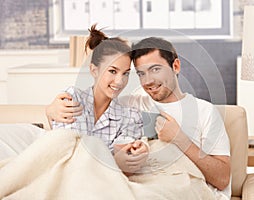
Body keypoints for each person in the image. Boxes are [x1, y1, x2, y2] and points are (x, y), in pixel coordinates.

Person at [46, 37, 231, 199]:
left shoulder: (204, 111)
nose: (148, 81)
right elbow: (94, 104)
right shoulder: (129, 105)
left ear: (175, 66)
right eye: (141, 73)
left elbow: (222, 179)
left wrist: (179, 139)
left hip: (181, 189)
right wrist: (50, 110)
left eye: (155, 69)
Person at [49, 24, 149, 175]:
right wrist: (114, 160)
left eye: (126, 73)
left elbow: (125, 162)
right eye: (112, 71)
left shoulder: (131, 116)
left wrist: (132, 157)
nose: (119, 81)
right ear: (94, 70)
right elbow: (69, 155)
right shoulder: (72, 99)